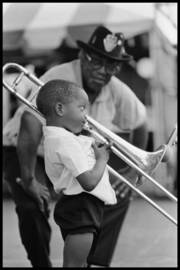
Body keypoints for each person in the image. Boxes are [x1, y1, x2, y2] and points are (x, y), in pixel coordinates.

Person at [3, 25, 148, 267]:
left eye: (111, 65)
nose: (103, 70)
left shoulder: (118, 91)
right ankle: (41, 264)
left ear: (117, 67)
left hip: (69, 156)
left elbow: (140, 122)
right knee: (32, 205)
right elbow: (29, 124)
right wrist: (29, 180)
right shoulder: (58, 78)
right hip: (29, 150)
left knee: (116, 193)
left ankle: (94, 262)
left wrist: (132, 173)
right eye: (96, 61)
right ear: (83, 56)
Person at [36, 79, 117, 267]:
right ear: (60, 109)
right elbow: (89, 182)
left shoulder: (63, 138)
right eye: (82, 108)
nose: (86, 116)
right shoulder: (64, 141)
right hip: (82, 205)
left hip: (82, 206)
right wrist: (102, 159)